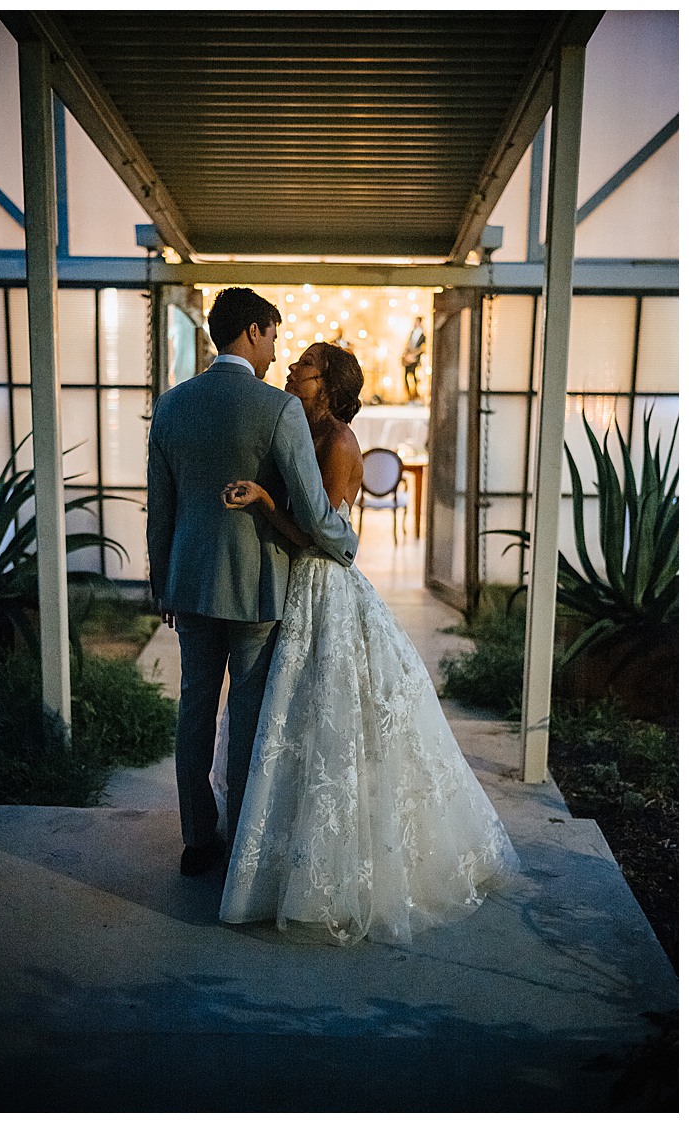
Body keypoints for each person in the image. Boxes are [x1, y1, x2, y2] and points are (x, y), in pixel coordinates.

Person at [218, 342, 518, 945]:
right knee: (292, 721)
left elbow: (325, 535)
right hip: (296, 587)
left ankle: (335, 869)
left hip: (324, 583)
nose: (293, 368)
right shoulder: (296, 424)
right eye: (296, 360)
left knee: (330, 718)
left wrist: (266, 502)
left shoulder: (339, 442)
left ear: (327, 382)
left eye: (306, 364)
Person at [146, 287, 359, 878]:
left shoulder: (171, 406)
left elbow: (158, 507)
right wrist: (346, 545)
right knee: (246, 717)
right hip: (259, 587)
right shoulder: (278, 409)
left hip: (189, 585)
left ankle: (196, 840)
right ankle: (241, 840)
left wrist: (161, 580)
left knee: (194, 710)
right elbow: (316, 512)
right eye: (273, 336)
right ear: (255, 331)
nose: (277, 351)